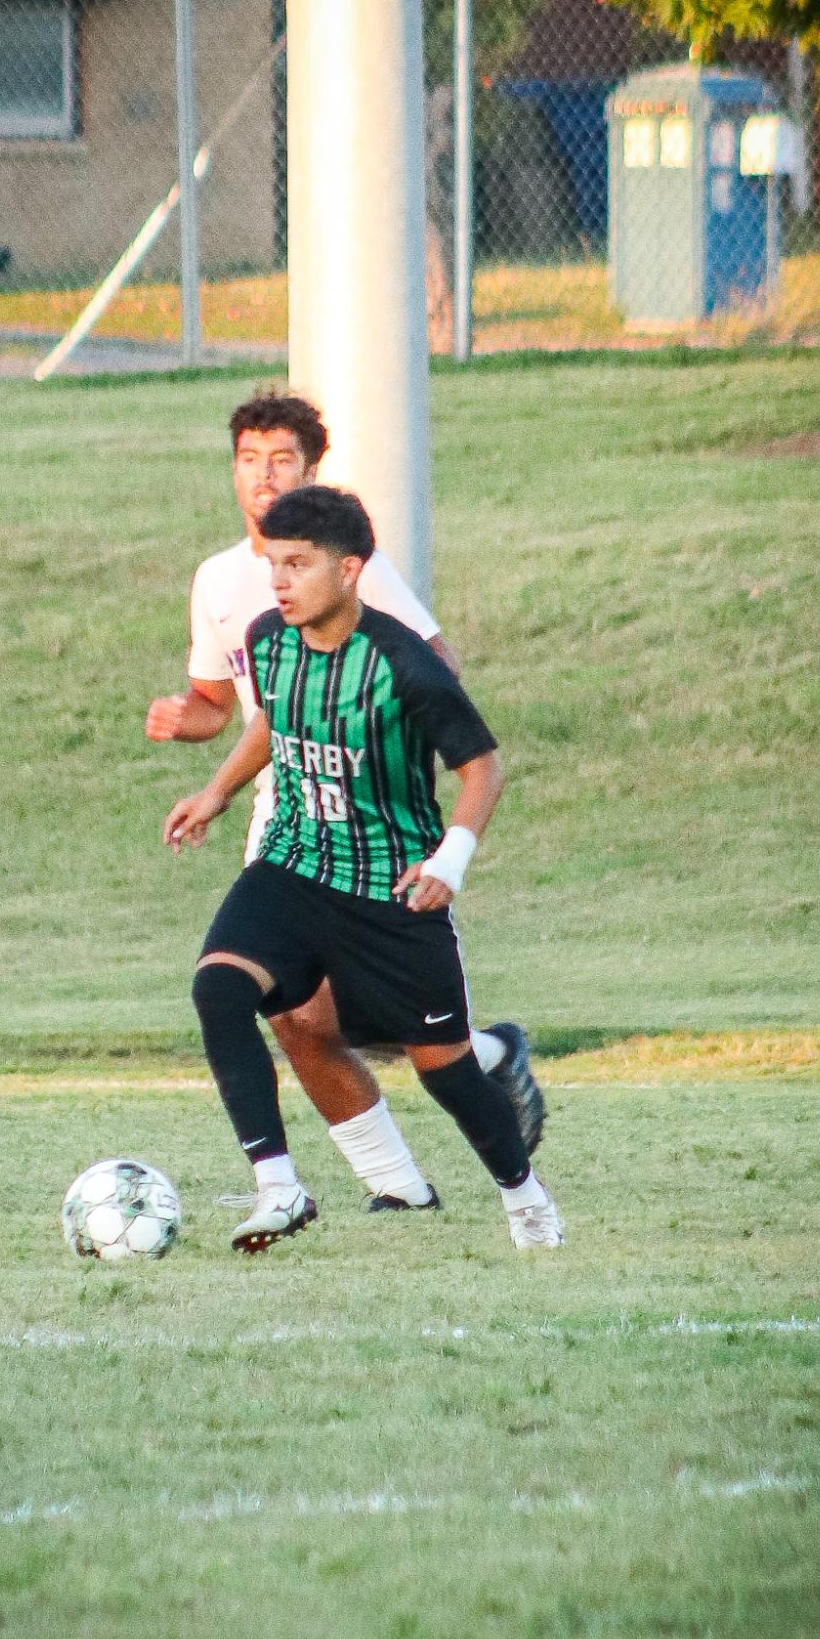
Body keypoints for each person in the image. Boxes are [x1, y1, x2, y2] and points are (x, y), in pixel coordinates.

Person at [146, 390, 545, 1214]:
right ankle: (392, 1186)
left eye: (281, 459)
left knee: (381, 1024)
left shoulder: (349, 567)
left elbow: (428, 672)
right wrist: (206, 757)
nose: (263, 476)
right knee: (286, 1014)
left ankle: (484, 1057)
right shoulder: (223, 582)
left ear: (311, 468)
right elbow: (245, 706)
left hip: (374, 836)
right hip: (285, 829)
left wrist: (410, 806)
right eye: (249, 459)